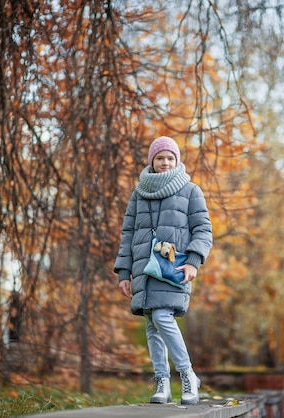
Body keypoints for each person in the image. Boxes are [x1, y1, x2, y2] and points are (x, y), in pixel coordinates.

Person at [114, 136, 213, 405]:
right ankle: (162, 382)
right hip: (143, 269)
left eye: (170, 157)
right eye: (160, 158)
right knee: (152, 322)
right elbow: (128, 234)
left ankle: (187, 374)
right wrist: (124, 272)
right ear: (152, 161)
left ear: (177, 160)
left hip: (174, 266)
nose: (165, 162)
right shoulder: (139, 193)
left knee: (162, 315)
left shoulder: (191, 191)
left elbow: (203, 230)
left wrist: (193, 260)